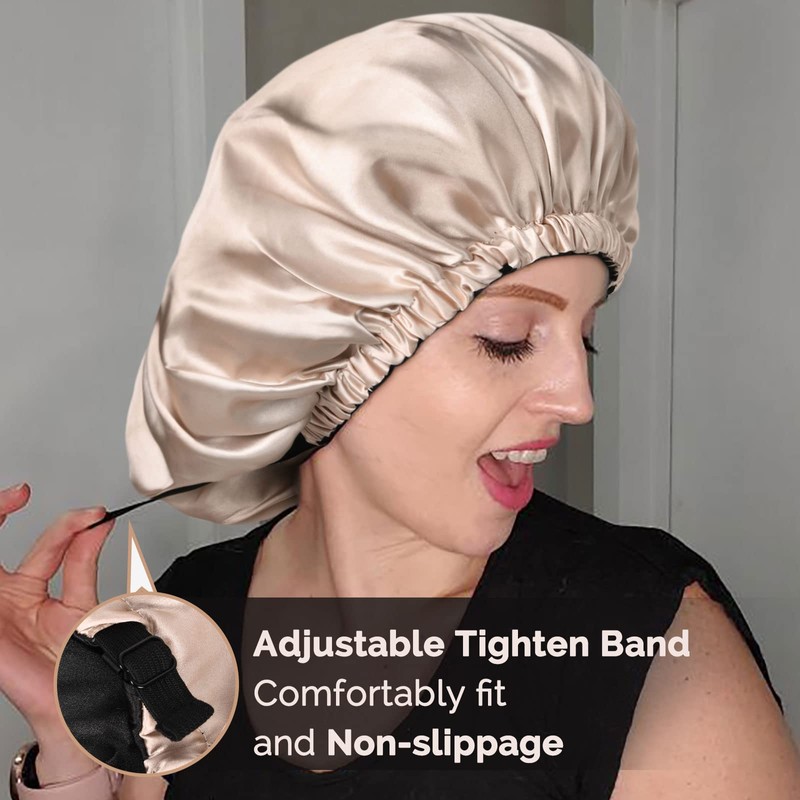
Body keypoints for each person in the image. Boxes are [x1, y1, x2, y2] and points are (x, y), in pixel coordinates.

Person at [1, 12, 799, 800]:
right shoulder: (184, 614)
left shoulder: (648, 644)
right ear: (319, 344)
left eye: (584, 340)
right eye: (508, 339)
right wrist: (70, 746)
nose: (578, 401)